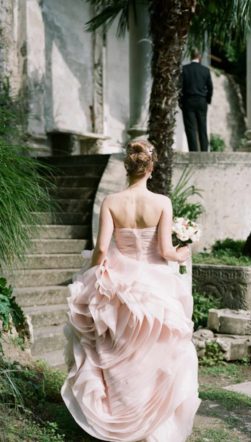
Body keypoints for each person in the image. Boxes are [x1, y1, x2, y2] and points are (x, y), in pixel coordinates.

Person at [61, 139, 201, 442]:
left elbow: (101, 248)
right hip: (154, 284)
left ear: (129, 166)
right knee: (154, 354)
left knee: (116, 352)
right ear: (150, 168)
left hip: (120, 283)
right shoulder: (162, 202)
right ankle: (150, 425)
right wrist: (182, 253)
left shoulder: (111, 201)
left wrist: (94, 273)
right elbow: (164, 250)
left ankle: (117, 416)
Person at [180, 48, 213, 152]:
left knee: (190, 128)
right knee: (202, 127)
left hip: (188, 101)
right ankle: (204, 151)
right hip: (201, 101)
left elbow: (180, 87)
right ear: (199, 57)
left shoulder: (184, 69)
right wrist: (207, 100)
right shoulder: (205, 70)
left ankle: (193, 151)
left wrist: (181, 101)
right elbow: (210, 87)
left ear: (191, 56)